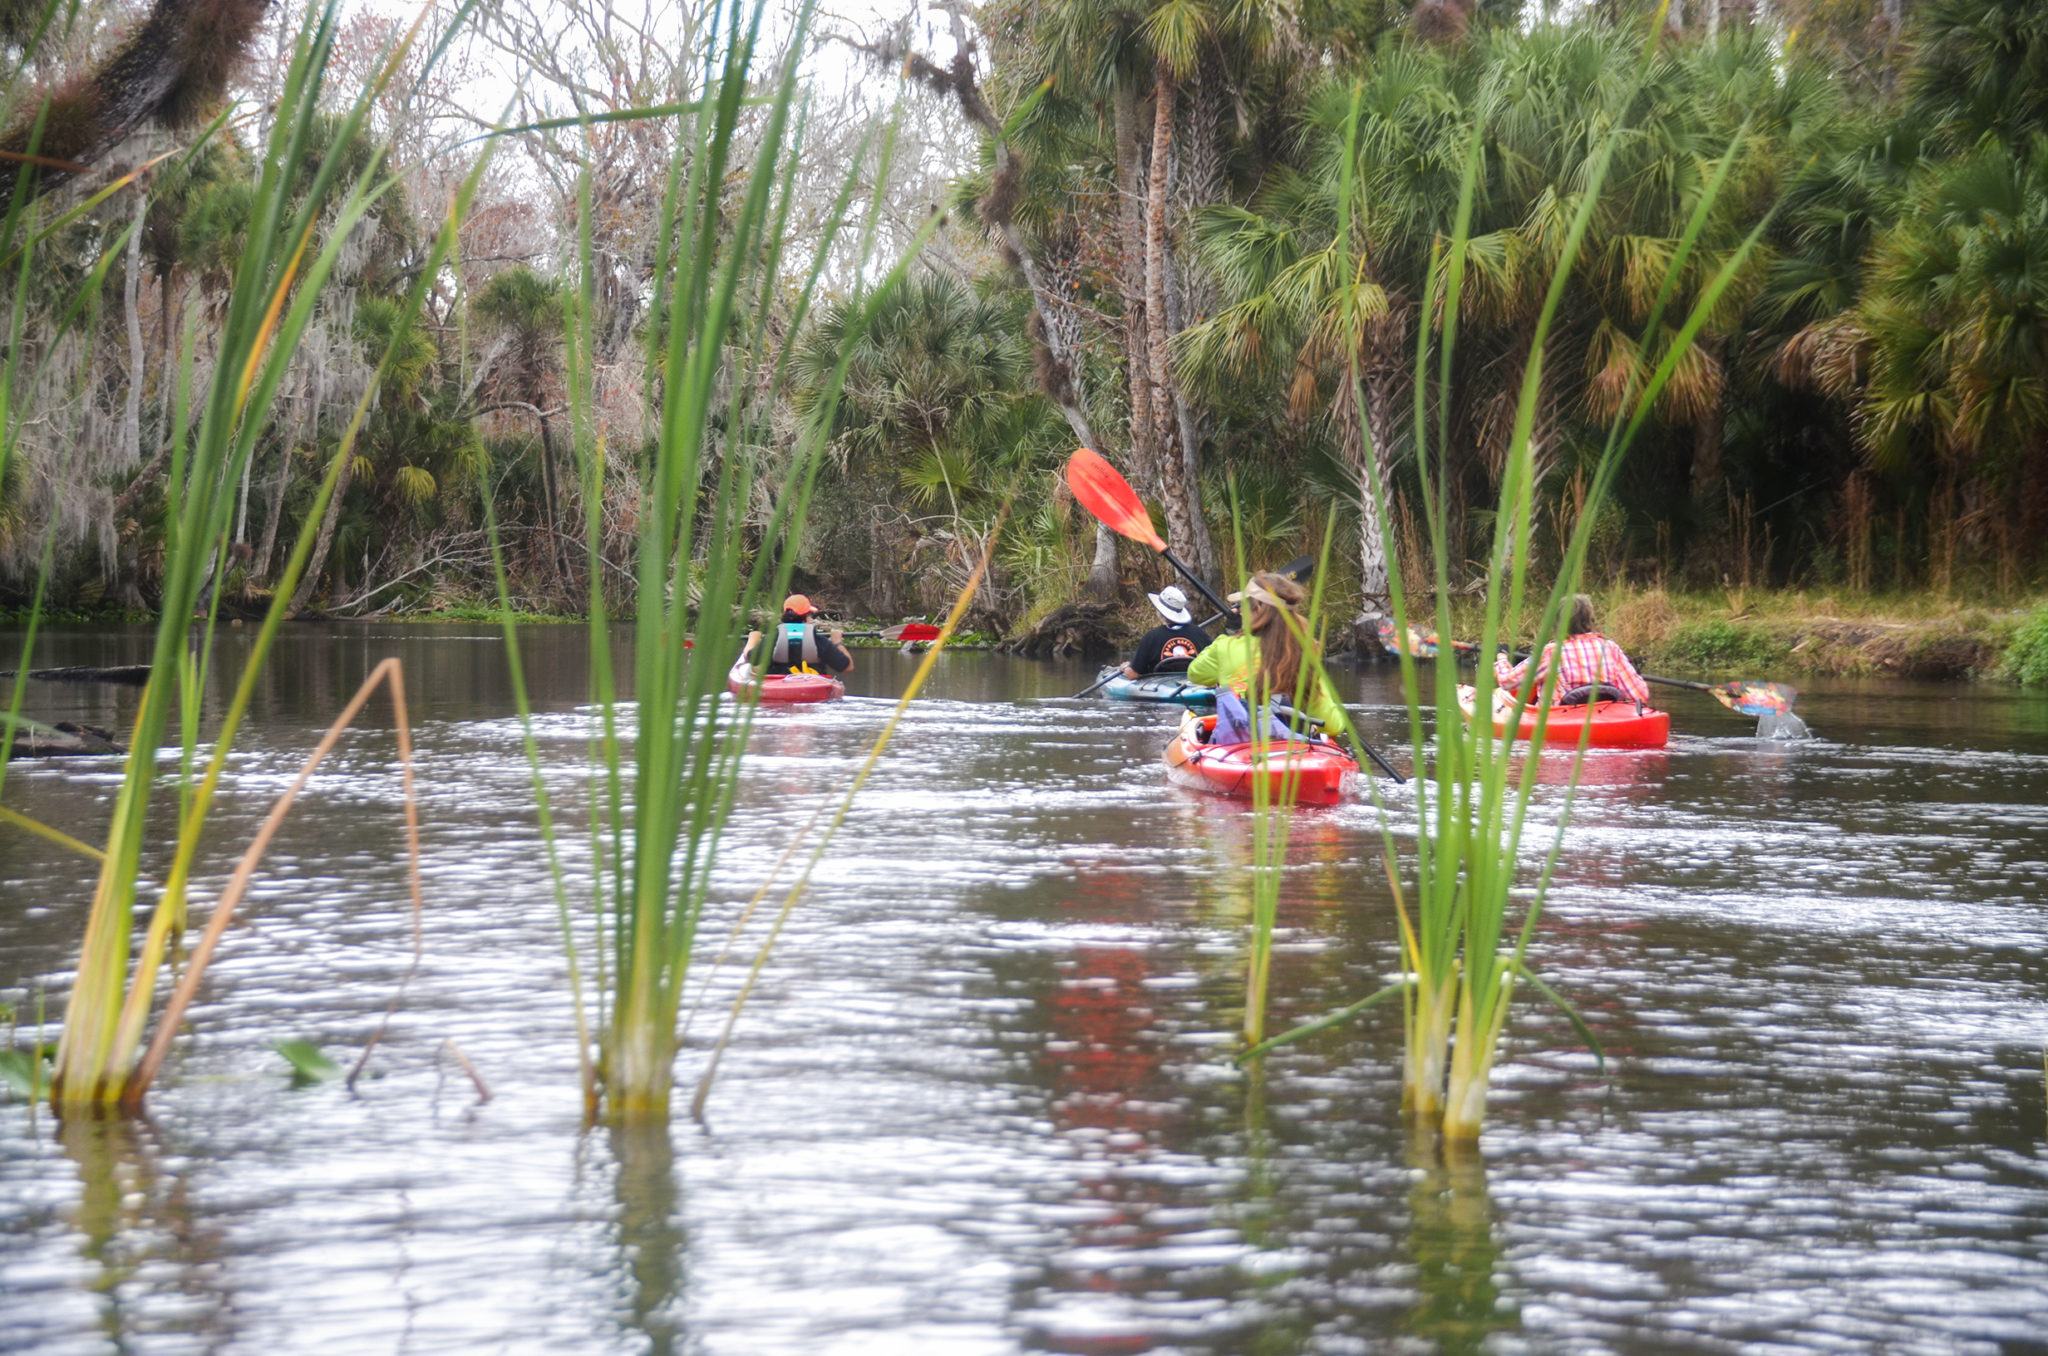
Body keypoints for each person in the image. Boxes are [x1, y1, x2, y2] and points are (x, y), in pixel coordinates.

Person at [1185, 571, 1356, 743]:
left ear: (1258, 607)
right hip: (1290, 750)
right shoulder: (1305, 652)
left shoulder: (1225, 647)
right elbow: (1333, 725)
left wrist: (1229, 634)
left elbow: (1195, 673)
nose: (1241, 611)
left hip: (1239, 746)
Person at [1494, 594, 1648, 705]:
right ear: (1590, 619)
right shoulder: (1610, 648)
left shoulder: (1552, 652)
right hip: (1606, 716)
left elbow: (1508, 682)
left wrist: (1501, 659)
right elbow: (1640, 695)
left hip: (1561, 719)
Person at [744, 594, 853, 677]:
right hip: (812, 686)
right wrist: (837, 641)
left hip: (779, 685)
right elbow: (847, 667)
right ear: (807, 617)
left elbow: (750, 659)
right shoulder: (817, 640)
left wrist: (753, 639)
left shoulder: (774, 638)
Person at [1122, 585, 1211, 679]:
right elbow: (1214, 663)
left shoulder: (1151, 637)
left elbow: (1133, 675)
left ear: (1160, 612)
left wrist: (1125, 668)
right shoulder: (1199, 633)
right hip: (1195, 685)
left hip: (1159, 688)